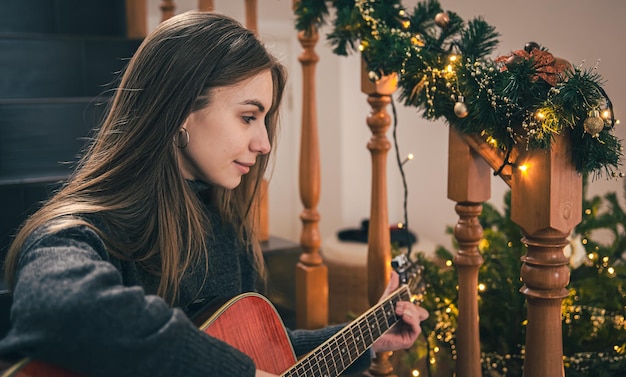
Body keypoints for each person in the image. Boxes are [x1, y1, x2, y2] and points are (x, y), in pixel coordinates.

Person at [0, 11, 428, 377]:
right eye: (248, 117)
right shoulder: (79, 230)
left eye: (264, 121)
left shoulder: (224, 227)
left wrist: (364, 340)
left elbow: (249, 353)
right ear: (181, 111)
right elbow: (62, 310)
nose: (264, 143)